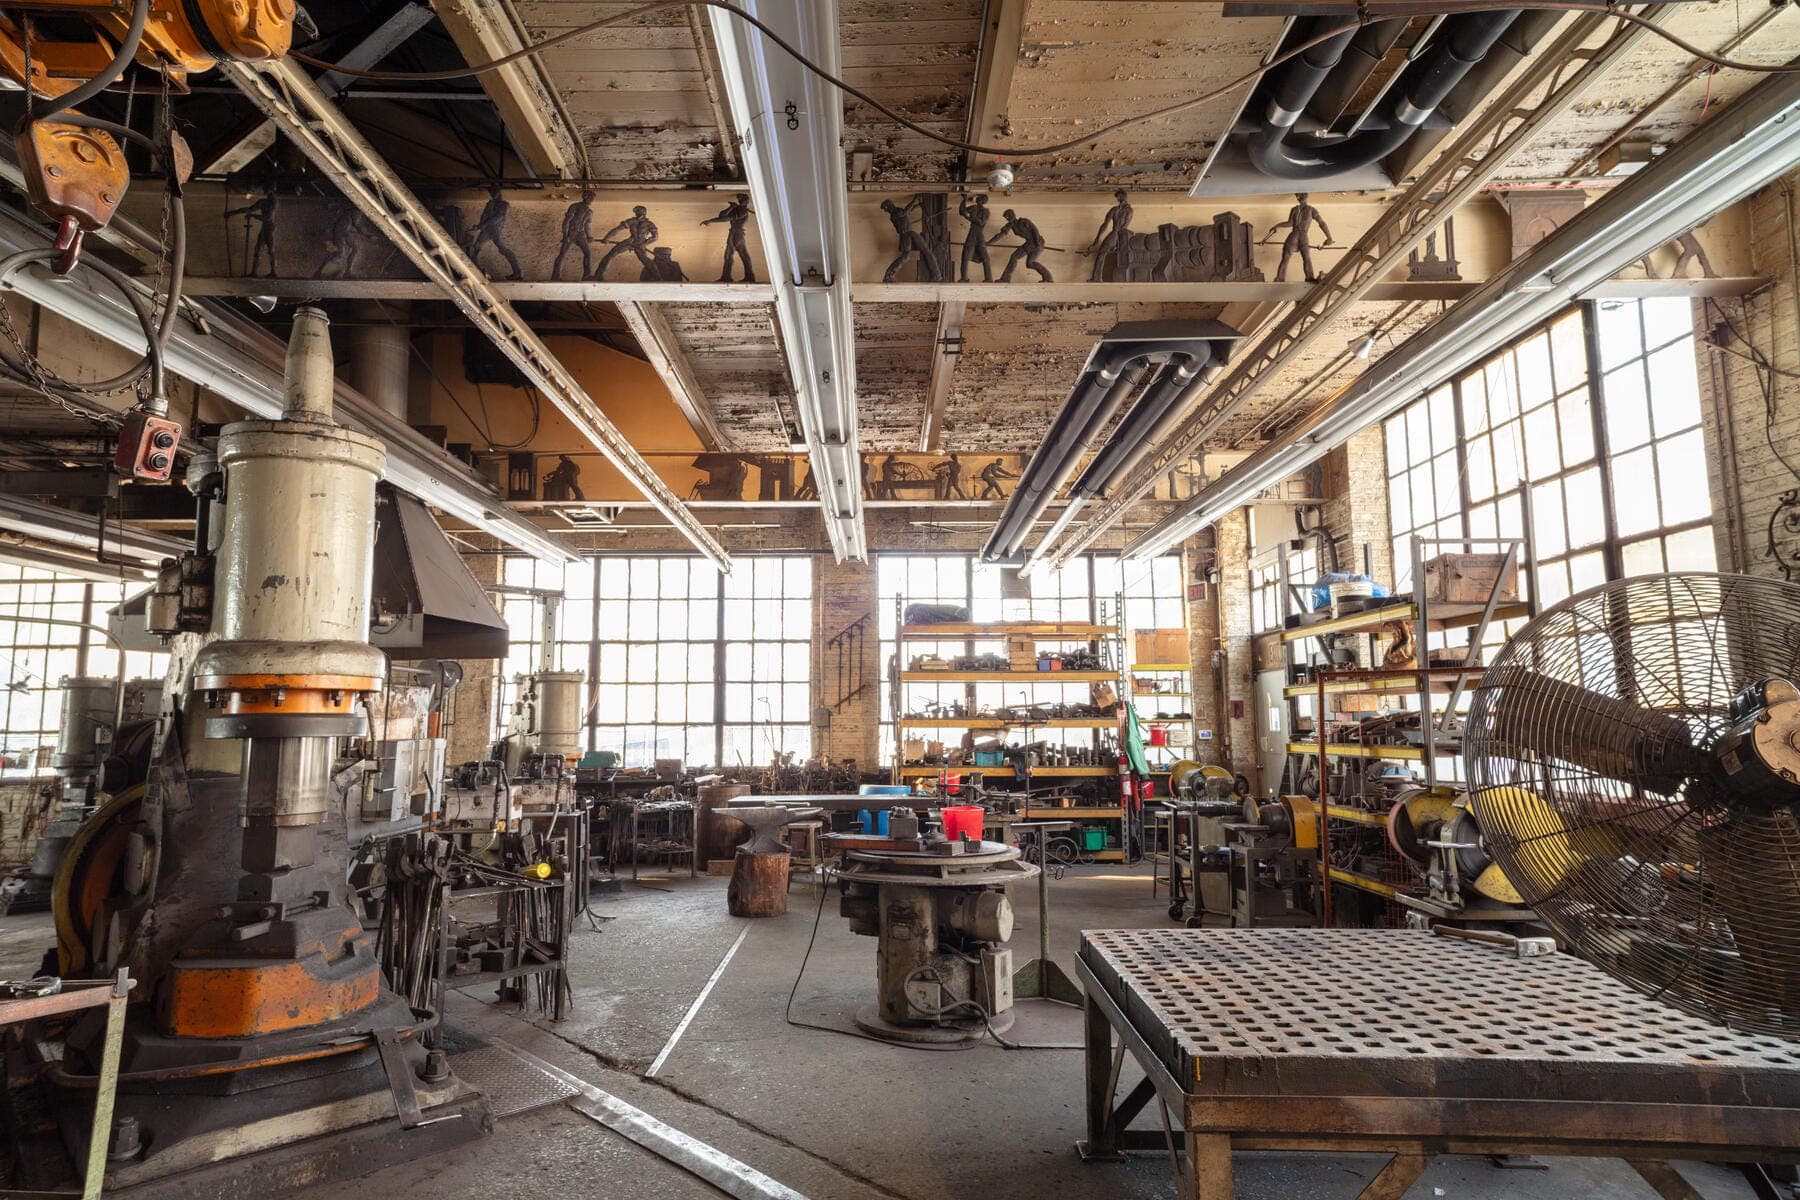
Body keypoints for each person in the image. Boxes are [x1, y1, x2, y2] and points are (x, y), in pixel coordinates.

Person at [1271, 192, 1332, 283]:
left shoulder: (1296, 209)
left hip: (1294, 235)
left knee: (1286, 258)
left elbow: (1290, 223)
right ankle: (1309, 278)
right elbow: (1321, 223)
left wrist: (1277, 225)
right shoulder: (1311, 210)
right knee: (1306, 258)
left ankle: (1280, 278)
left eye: (1298, 196)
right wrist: (1329, 237)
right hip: (1302, 235)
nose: (1298, 197)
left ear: (1301, 197)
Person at [469, 184, 524, 280]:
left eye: (494, 192)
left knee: (503, 249)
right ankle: (476, 271)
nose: (492, 194)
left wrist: (481, 225)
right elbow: (485, 216)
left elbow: (496, 218)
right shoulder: (490, 203)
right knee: (475, 248)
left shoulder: (503, 205)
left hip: (495, 230)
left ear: (498, 192)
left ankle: (517, 272)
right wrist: (478, 226)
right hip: (486, 230)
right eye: (491, 192)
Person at [881, 198, 942, 282]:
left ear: (890, 205)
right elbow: (906, 211)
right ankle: (888, 275)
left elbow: (908, 211)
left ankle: (936, 275)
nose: (887, 211)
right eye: (886, 209)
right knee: (906, 256)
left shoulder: (898, 210)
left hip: (910, 233)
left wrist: (918, 205)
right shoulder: (894, 215)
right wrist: (914, 200)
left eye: (886, 209)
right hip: (906, 234)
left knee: (926, 251)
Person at [702, 193, 755, 282]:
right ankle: (726, 277)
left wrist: (710, 220)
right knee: (729, 256)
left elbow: (726, 218)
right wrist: (731, 207)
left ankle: (749, 277)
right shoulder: (738, 210)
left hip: (737, 234)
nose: (740, 201)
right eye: (739, 200)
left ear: (746, 201)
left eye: (741, 200)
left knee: (742, 255)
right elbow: (722, 215)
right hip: (733, 233)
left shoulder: (743, 211)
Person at [596, 205, 659, 280]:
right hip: (630, 241)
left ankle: (658, 278)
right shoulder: (631, 221)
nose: (636, 213)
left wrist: (644, 244)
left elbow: (655, 237)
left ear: (644, 212)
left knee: (646, 261)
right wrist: (607, 238)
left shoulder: (649, 224)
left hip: (640, 244)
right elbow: (618, 229)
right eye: (636, 212)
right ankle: (598, 275)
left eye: (638, 211)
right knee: (611, 254)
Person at [990, 210, 1053, 282]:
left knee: (1016, 257)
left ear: (1013, 215)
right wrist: (989, 242)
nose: (1007, 219)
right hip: (1030, 243)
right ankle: (1048, 278)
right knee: (1029, 263)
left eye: (1008, 217)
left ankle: (1006, 278)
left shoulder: (1023, 221)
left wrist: (1037, 243)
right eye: (1006, 218)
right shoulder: (1010, 225)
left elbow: (1034, 230)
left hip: (1037, 242)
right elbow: (1000, 235)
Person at [225, 193, 278, 278]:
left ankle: (273, 272)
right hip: (264, 229)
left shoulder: (273, 203)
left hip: (270, 229)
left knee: (271, 250)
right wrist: (232, 213)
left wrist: (252, 215)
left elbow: (267, 217)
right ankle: (254, 272)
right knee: (258, 250)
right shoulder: (263, 202)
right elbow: (249, 209)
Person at [1088, 189, 1133, 281]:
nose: (1118, 199)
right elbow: (1105, 224)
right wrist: (1097, 239)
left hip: (1121, 235)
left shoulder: (1129, 210)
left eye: (1119, 197)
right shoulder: (1114, 209)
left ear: (1123, 196)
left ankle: (1100, 278)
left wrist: (1118, 242)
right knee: (1101, 254)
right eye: (1117, 197)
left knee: (1111, 256)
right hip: (1114, 234)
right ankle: (1096, 278)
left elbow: (1125, 226)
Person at [552, 190, 597, 280]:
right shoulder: (575, 206)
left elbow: (586, 225)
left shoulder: (589, 211)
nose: (591, 200)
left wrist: (589, 236)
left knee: (588, 253)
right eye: (590, 197)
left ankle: (586, 276)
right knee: (563, 254)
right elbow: (566, 222)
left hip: (581, 234)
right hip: (571, 233)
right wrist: (565, 236)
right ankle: (556, 276)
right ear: (585, 197)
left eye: (592, 198)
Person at [958, 194, 993, 282]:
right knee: (965, 255)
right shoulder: (973, 208)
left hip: (979, 234)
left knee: (985, 257)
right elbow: (962, 211)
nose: (977, 199)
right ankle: (964, 277)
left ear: (982, 201)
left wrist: (969, 217)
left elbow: (981, 223)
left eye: (979, 199)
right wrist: (964, 200)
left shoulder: (986, 211)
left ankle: (988, 278)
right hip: (972, 233)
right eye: (977, 198)